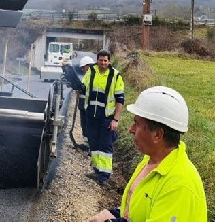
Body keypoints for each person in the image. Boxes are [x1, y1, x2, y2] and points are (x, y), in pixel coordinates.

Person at [88, 86, 207, 222]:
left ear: (157, 134)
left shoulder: (179, 185)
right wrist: (114, 214)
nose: (130, 129)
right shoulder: (152, 162)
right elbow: (138, 209)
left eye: (137, 124)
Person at [82, 50, 124, 185]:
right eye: (101, 60)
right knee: (93, 143)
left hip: (107, 117)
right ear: (97, 60)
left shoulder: (115, 76)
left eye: (106, 60)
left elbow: (120, 100)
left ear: (109, 61)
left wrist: (115, 120)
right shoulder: (91, 72)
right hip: (92, 116)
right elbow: (84, 88)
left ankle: (104, 177)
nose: (103, 63)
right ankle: (97, 170)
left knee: (105, 146)